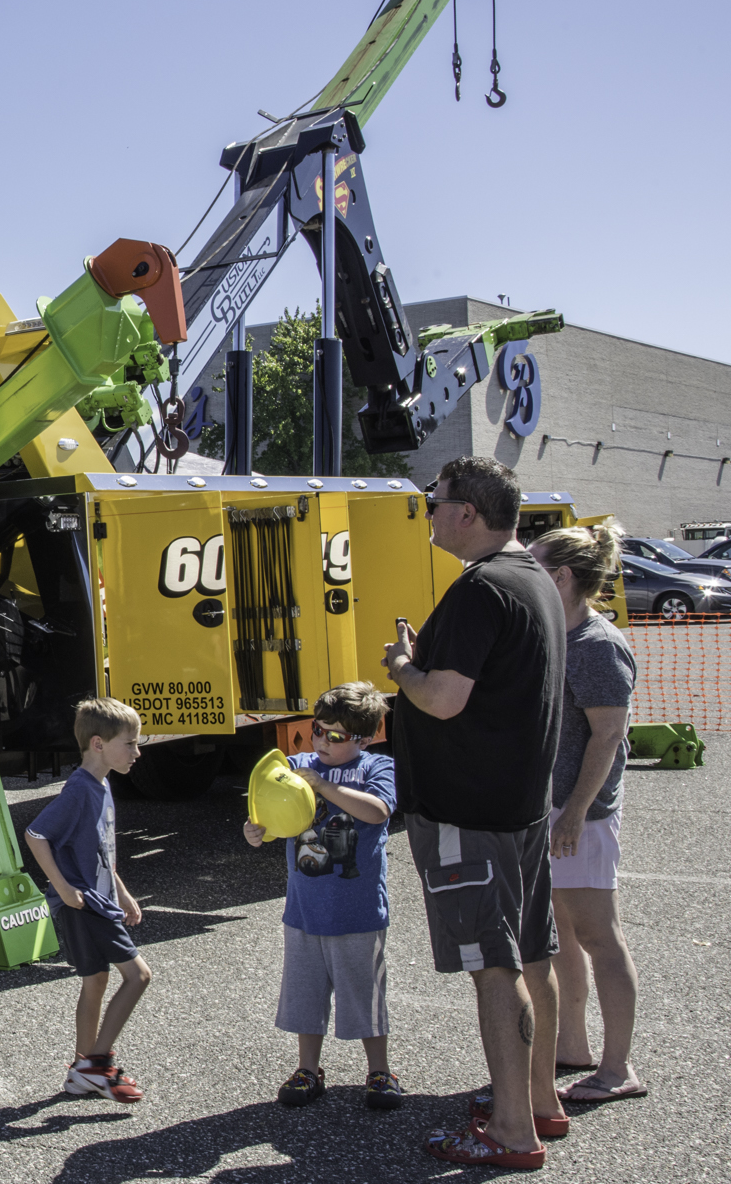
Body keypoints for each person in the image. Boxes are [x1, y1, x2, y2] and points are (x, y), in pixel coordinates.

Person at [383, 456, 567, 1170]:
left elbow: (443, 698)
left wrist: (402, 665)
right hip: (519, 808)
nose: (430, 511)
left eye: (437, 500)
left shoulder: (482, 588)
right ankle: (540, 1100)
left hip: (471, 811)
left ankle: (512, 1131)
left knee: (494, 966)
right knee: (533, 954)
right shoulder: (534, 580)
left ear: (468, 511)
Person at [242, 682, 404, 1111]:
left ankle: (379, 1071)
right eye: (318, 730)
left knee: (364, 993)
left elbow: (378, 811)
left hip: (357, 910)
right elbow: (270, 812)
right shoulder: (296, 764)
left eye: (335, 736)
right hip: (305, 909)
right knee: (305, 994)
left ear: (364, 738)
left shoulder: (376, 767)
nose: (321, 741)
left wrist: (324, 787)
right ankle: (308, 1070)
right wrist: (256, 830)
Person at [530, 522, 648, 1105]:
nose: (527, 575)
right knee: (562, 938)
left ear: (562, 577)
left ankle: (617, 1068)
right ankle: (571, 1048)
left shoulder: (599, 646)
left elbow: (609, 739)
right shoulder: (558, 635)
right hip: (552, 812)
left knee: (600, 936)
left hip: (582, 818)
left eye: (535, 565)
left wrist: (575, 814)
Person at [24, 698, 151, 1102]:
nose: (137, 752)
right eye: (129, 743)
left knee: (95, 981)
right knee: (139, 976)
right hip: (85, 905)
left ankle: (83, 1070)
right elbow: (36, 835)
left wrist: (124, 892)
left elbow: (100, 850)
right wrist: (62, 888)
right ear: (98, 744)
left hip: (100, 899)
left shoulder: (102, 783)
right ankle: (95, 1065)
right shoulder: (80, 790)